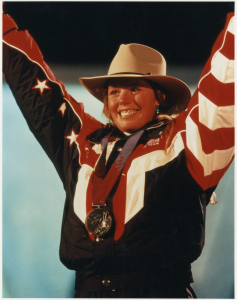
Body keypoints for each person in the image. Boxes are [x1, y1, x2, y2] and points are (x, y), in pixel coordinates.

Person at [3, 7, 234, 298]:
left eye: (135, 88)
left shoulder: (183, 144)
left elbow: (223, 88)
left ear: (159, 98)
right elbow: (30, 81)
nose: (122, 99)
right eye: (113, 91)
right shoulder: (82, 145)